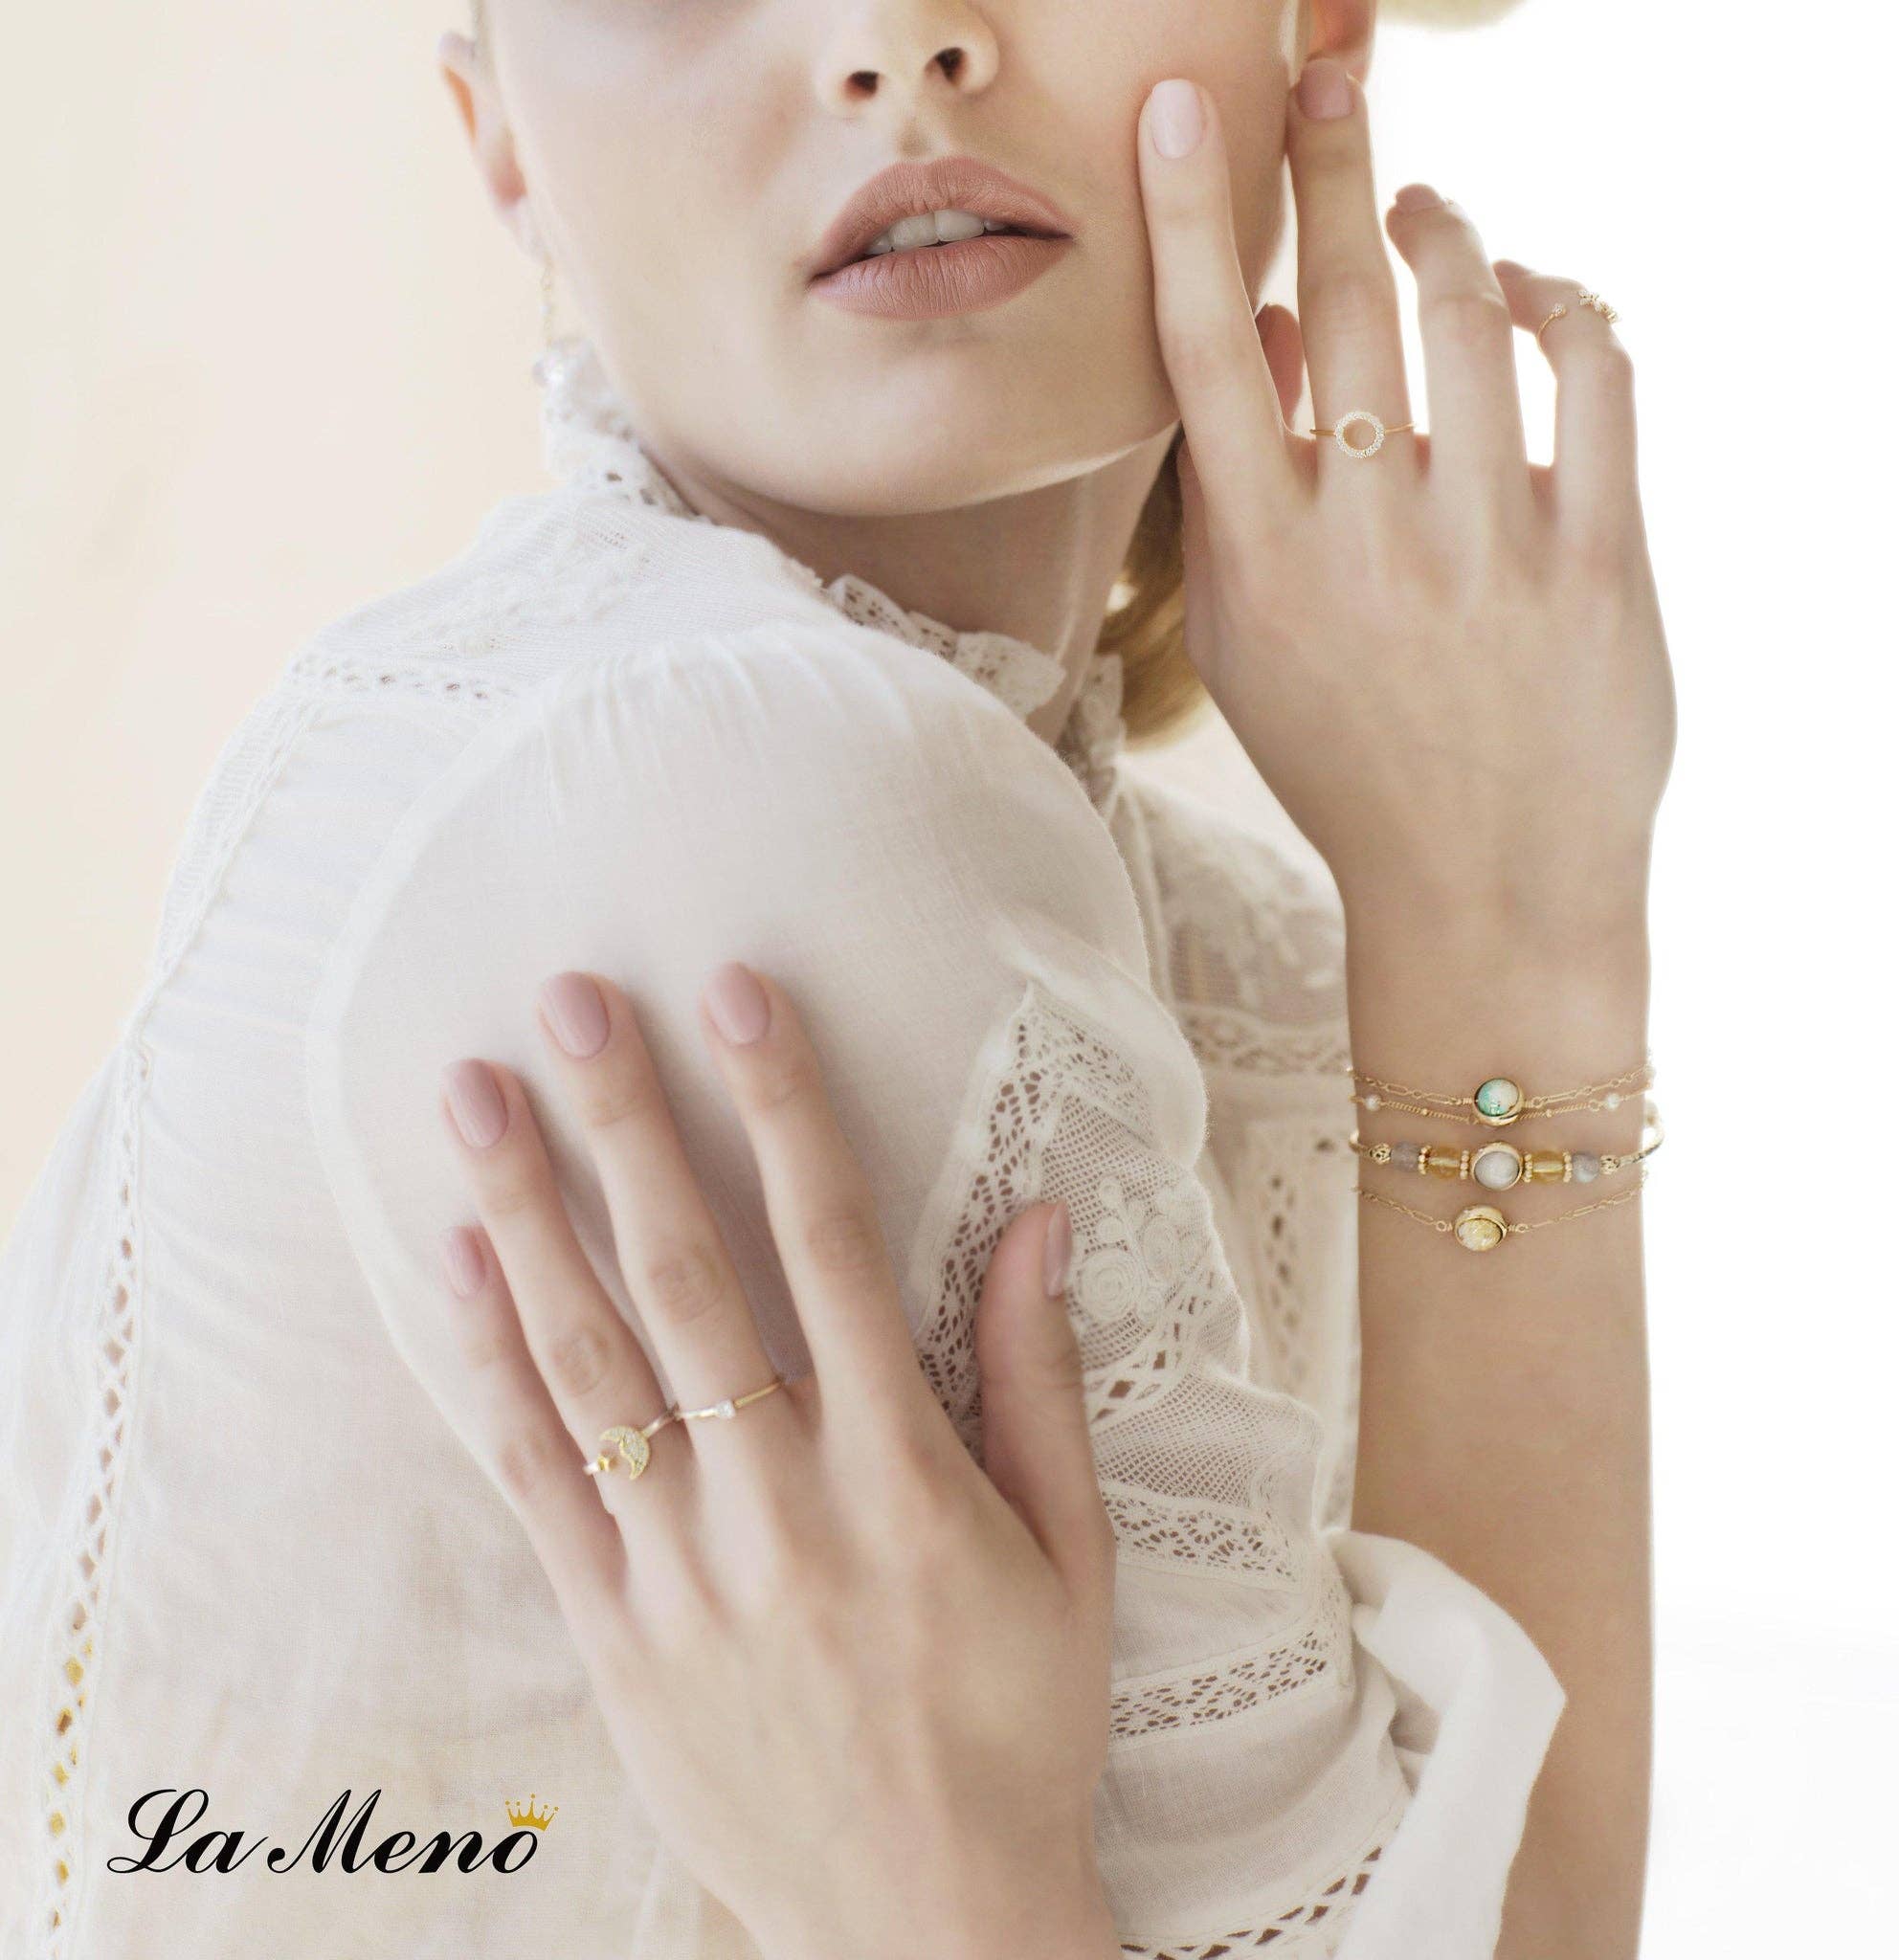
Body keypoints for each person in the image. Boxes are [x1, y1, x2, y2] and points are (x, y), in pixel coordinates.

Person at [0, 1, 1672, 1955]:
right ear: (498, 134)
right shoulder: (715, 784)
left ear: (1318, 25)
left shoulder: (1221, 940)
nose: (892, 39)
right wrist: (1512, 938)